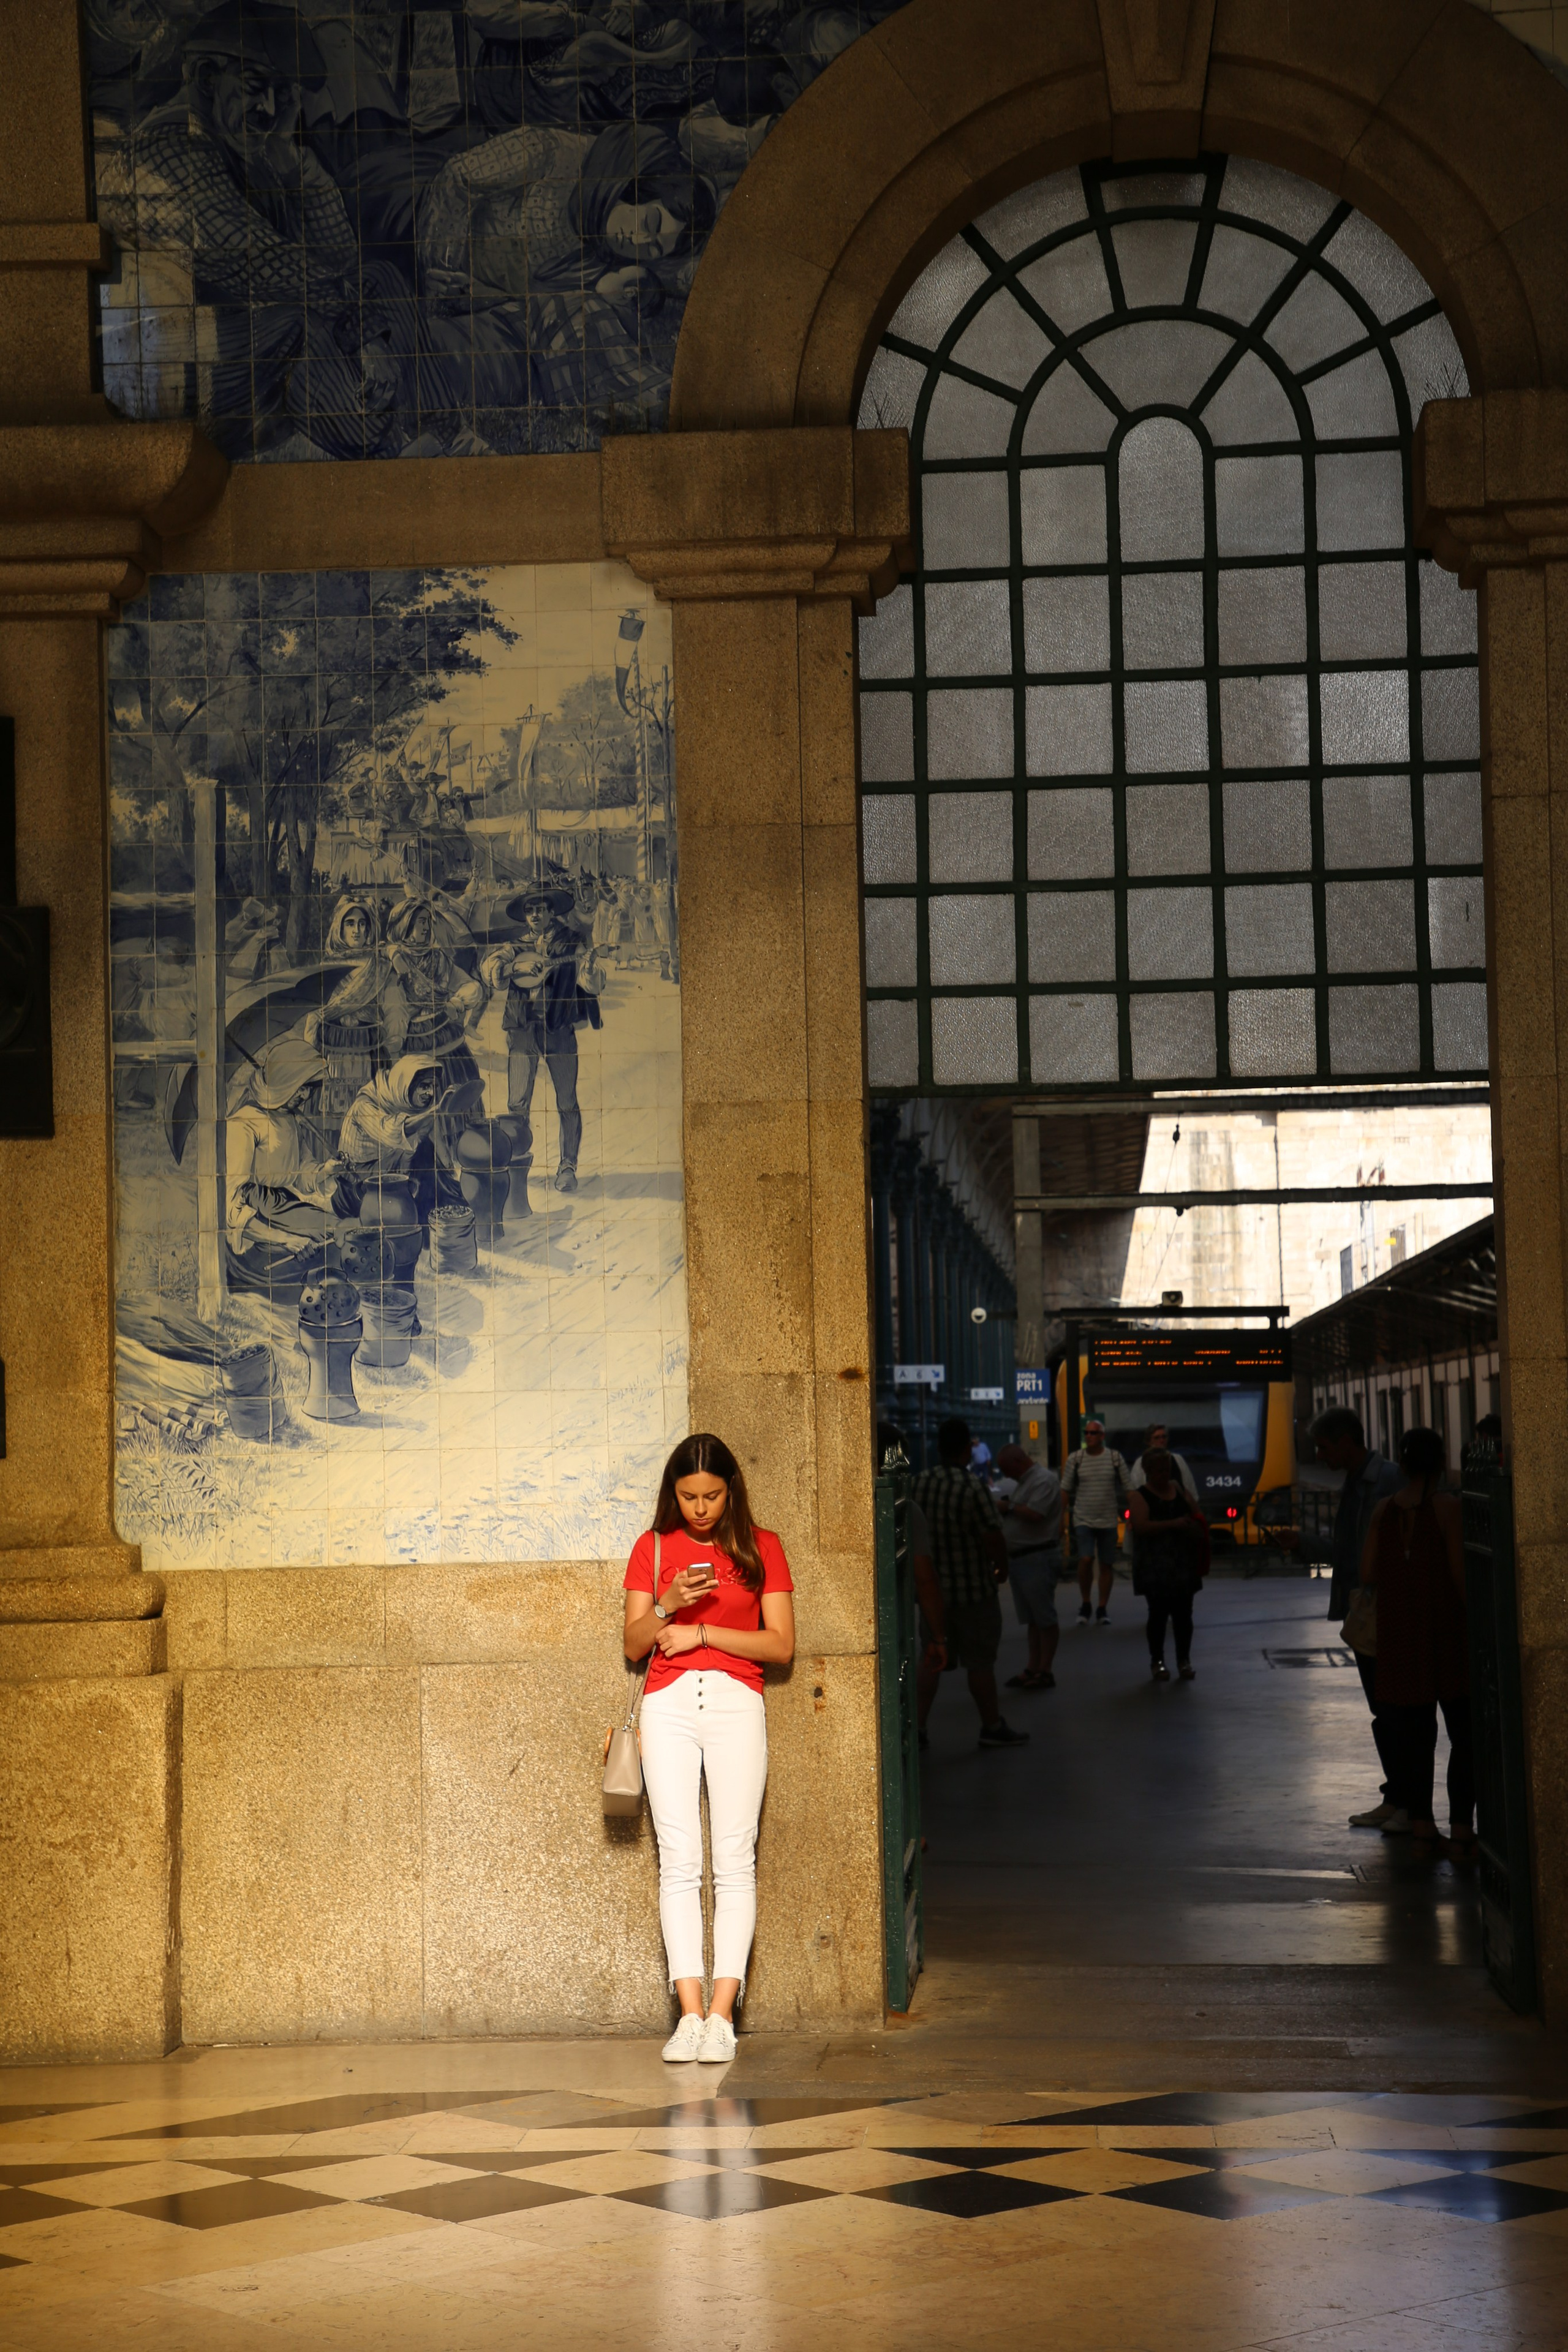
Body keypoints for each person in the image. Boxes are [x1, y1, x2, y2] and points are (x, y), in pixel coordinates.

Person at [623, 1433, 796, 2065]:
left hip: (735, 1703)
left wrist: (702, 1630)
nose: (700, 1508)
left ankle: (723, 2017)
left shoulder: (761, 1547)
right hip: (666, 1707)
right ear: (674, 1494)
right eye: (689, 1496)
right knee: (678, 1860)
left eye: (712, 1496)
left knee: (733, 1859)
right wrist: (668, 1603)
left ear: (731, 1491)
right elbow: (635, 1643)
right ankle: (688, 2014)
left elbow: (780, 1646)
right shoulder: (654, 1547)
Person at [1277, 1406, 1404, 1829]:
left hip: (1384, 1611)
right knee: (1383, 1709)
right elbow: (1347, 1549)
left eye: (1325, 1447)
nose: (1321, 1456)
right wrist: (1304, 1542)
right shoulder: (1358, 1482)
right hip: (1367, 1610)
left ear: (1348, 1442)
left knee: (1394, 1708)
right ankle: (1397, 1796)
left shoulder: (1383, 1481)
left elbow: (1379, 1552)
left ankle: (1406, 1803)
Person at [1359, 1427, 1476, 1858]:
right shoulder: (1449, 1508)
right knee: (1464, 1735)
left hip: (1400, 1635)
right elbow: (1461, 1577)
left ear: (1404, 1464)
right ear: (1441, 1462)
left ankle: (1423, 1826)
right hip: (1446, 1634)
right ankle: (1462, 1829)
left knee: (1415, 1736)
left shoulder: (1384, 1510)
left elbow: (1368, 1572)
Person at [913, 1417, 1028, 1749]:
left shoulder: (920, 1484)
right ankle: (991, 1726)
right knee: (980, 1663)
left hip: (932, 1593)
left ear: (938, 1448)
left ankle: (918, 1730)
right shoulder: (972, 1487)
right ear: (967, 1449)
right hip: (974, 1593)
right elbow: (992, 1536)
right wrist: (1000, 1568)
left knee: (931, 1659)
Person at [484, 888, 602, 1197]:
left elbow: (593, 983)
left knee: (566, 1101)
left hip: (558, 1028)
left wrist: (589, 966)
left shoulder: (571, 941)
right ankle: (515, 1167)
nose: (535, 914)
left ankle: (567, 1166)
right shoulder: (515, 946)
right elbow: (490, 970)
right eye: (530, 910)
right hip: (523, 1030)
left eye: (541, 908)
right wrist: (513, 968)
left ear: (552, 912)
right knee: (517, 1103)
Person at [1126, 1449, 1205, 1681]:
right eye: (1159, 1470)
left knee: (1184, 1615)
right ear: (1147, 1471)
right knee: (1159, 1615)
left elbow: (1196, 1511)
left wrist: (1194, 1525)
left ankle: (1184, 1660)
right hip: (1156, 1565)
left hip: (1182, 1562)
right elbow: (1141, 1526)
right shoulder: (1139, 1496)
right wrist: (1173, 1524)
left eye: (1167, 1470)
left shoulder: (1178, 1489)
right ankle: (1158, 1661)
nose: (1164, 1475)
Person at [995, 1442, 1063, 1691]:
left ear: (1017, 1462)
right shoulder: (1026, 1483)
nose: (1006, 1475)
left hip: (1038, 1557)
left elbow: (1037, 1514)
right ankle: (1033, 1667)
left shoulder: (1044, 1481)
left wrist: (1008, 1506)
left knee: (1044, 1617)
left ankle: (1045, 1670)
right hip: (1024, 1559)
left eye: (1006, 1469)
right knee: (1034, 1619)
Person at [1062, 1418, 1129, 1626]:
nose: (1089, 1436)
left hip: (1108, 1518)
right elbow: (1065, 1490)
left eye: (1093, 1433)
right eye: (1087, 1433)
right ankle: (1085, 1603)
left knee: (1107, 1564)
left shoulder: (1115, 1458)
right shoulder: (1076, 1459)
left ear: (1102, 1436)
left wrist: (1134, 1511)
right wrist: (1059, 1518)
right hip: (1084, 1517)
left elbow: (1129, 1488)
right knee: (1086, 1559)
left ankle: (1102, 1607)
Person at [1129, 1423, 1197, 1502]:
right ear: (1149, 1441)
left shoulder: (1178, 1460)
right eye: (1157, 1438)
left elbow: (1189, 1485)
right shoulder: (1140, 1463)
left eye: (1164, 1437)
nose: (1161, 1441)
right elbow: (1136, 1487)